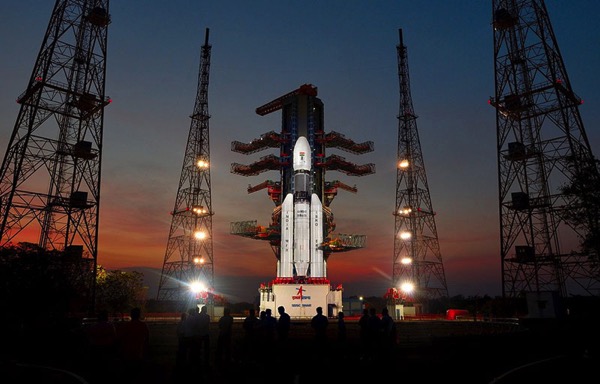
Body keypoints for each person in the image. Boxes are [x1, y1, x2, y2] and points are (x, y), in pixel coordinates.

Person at [117, 307, 150, 381]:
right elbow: (147, 339)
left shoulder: (126, 326)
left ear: (131, 315)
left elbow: (119, 338)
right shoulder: (143, 325)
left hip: (127, 353)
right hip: (138, 353)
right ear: (139, 315)